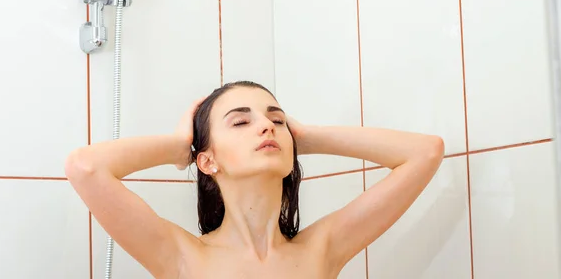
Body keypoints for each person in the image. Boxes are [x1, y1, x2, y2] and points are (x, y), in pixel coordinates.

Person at [65, 80, 444, 278]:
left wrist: (306, 138)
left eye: (277, 120)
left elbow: (425, 152)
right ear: (208, 161)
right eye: (242, 121)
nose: (266, 125)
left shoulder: (321, 250)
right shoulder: (181, 257)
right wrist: (178, 147)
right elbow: (85, 167)